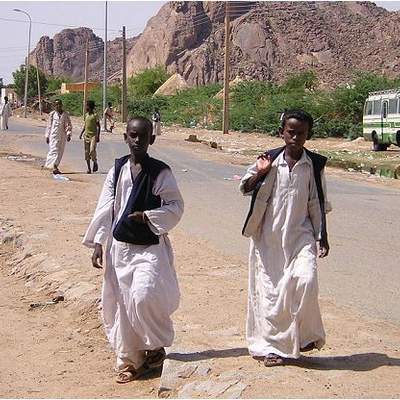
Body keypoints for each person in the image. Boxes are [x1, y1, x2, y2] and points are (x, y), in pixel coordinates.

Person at [82, 116, 184, 383]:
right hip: (120, 249)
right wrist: (97, 243)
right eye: (132, 135)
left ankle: (155, 345)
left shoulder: (160, 171)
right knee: (122, 305)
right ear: (125, 137)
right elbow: (106, 207)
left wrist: (149, 216)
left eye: (143, 136)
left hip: (149, 248)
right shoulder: (117, 170)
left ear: (152, 138)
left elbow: (175, 206)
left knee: (142, 294)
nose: (137, 140)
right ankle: (129, 361)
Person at [239, 109, 332, 367]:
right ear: (282, 133)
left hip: (300, 236)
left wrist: (322, 235)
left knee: (306, 280)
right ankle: (272, 347)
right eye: (290, 132)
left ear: (307, 135)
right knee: (271, 295)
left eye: (300, 132)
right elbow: (244, 187)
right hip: (268, 238)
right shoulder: (268, 159)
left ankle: (304, 336)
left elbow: (317, 202)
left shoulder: (314, 164)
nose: (295, 137)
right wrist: (260, 172)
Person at [44, 99, 72, 175]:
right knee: (53, 150)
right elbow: (49, 125)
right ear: (54, 106)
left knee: (60, 151)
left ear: (61, 105)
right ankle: (52, 166)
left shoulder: (65, 114)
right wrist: (47, 135)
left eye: (59, 104)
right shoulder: (52, 114)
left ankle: (55, 165)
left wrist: (69, 134)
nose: (58, 106)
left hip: (62, 135)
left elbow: (68, 125)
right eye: (56, 105)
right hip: (53, 135)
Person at [80, 100, 100, 174]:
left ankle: (95, 161)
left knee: (92, 151)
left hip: (93, 136)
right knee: (86, 152)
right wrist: (81, 133)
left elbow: (98, 126)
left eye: (87, 106)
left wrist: (98, 136)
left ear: (90, 106)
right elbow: (85, 125)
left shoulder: (95, 115)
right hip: (86, 135)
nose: (86, 107)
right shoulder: (86, 115)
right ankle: (89, 168)